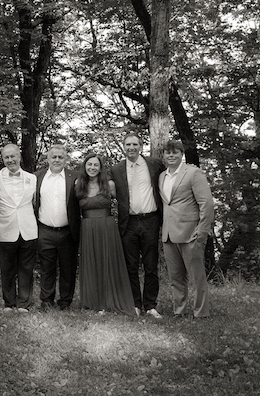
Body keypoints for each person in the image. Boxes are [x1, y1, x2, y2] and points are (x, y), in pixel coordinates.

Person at [111, 133, 165, 318]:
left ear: (140, 146)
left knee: (151, 265)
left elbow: (170, 178)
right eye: (128, 144)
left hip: (151, 220)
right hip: (129, 222)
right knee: (130, 265)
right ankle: (135, 304)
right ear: (123, 147)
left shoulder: (154, 164)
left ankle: (150, 305)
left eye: (134, 144)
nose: (131, 148)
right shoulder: (116, 169)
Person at [159, 140, 215, 318]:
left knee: (197, 277)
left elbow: (206, 203)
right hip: (168, 234)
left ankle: (201, 312)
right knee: (175, 277)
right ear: (163, 156)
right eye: (168, 152)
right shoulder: (162, 176)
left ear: (181, 154)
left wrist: (202, 231)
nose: (171, 155)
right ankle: (180, 310)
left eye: (175, 152)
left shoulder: (193, 173)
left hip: (191, 233)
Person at [75, 153, 136, 316]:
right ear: (84, 166)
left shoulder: (109, 185)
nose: (92, 168)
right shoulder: (78, 185)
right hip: (87, 228)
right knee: (92, 263)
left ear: (101, 168)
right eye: (89, 164)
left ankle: (109, 300)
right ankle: (93, 302)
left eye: (96, 165)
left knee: (107, 262)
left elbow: (126, 202)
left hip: (107, 227)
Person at [34, 144, 80, 310]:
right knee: (47, 268)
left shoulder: (75, 177)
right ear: (48, 159)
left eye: (60, 157)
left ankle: (65, 301)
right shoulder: (37, 177)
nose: (57, 160)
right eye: (54, 157)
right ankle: (47, 300)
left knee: (68, 268)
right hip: (45, 230)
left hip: (68, 231)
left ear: (66, 159)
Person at [0, 144, 37, 312]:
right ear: (3, 159)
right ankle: (9, 303)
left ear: (19, 156)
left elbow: (36, 202)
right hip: (5, 228)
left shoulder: (32, 178)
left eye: (13, 156)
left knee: (26, 268)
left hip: (28, 228)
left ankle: (24, 303)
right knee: (7, 269)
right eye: (6, 157)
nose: (10, 160)